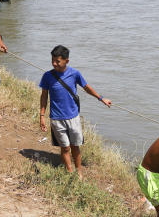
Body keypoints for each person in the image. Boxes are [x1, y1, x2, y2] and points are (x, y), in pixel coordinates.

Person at [38, 45, 111, 177]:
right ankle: (69, 171)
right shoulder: (47, 76)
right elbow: (44, 96)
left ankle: (79, 172)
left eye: (58, 61)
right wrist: (42, 116)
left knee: (75, 146)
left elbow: (86, 87)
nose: (54, 64)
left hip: (73, 117)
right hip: (56, 118)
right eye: (52, 61)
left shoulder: (75, 73)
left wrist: (101, 98)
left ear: (67, 61)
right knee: (65, 147)